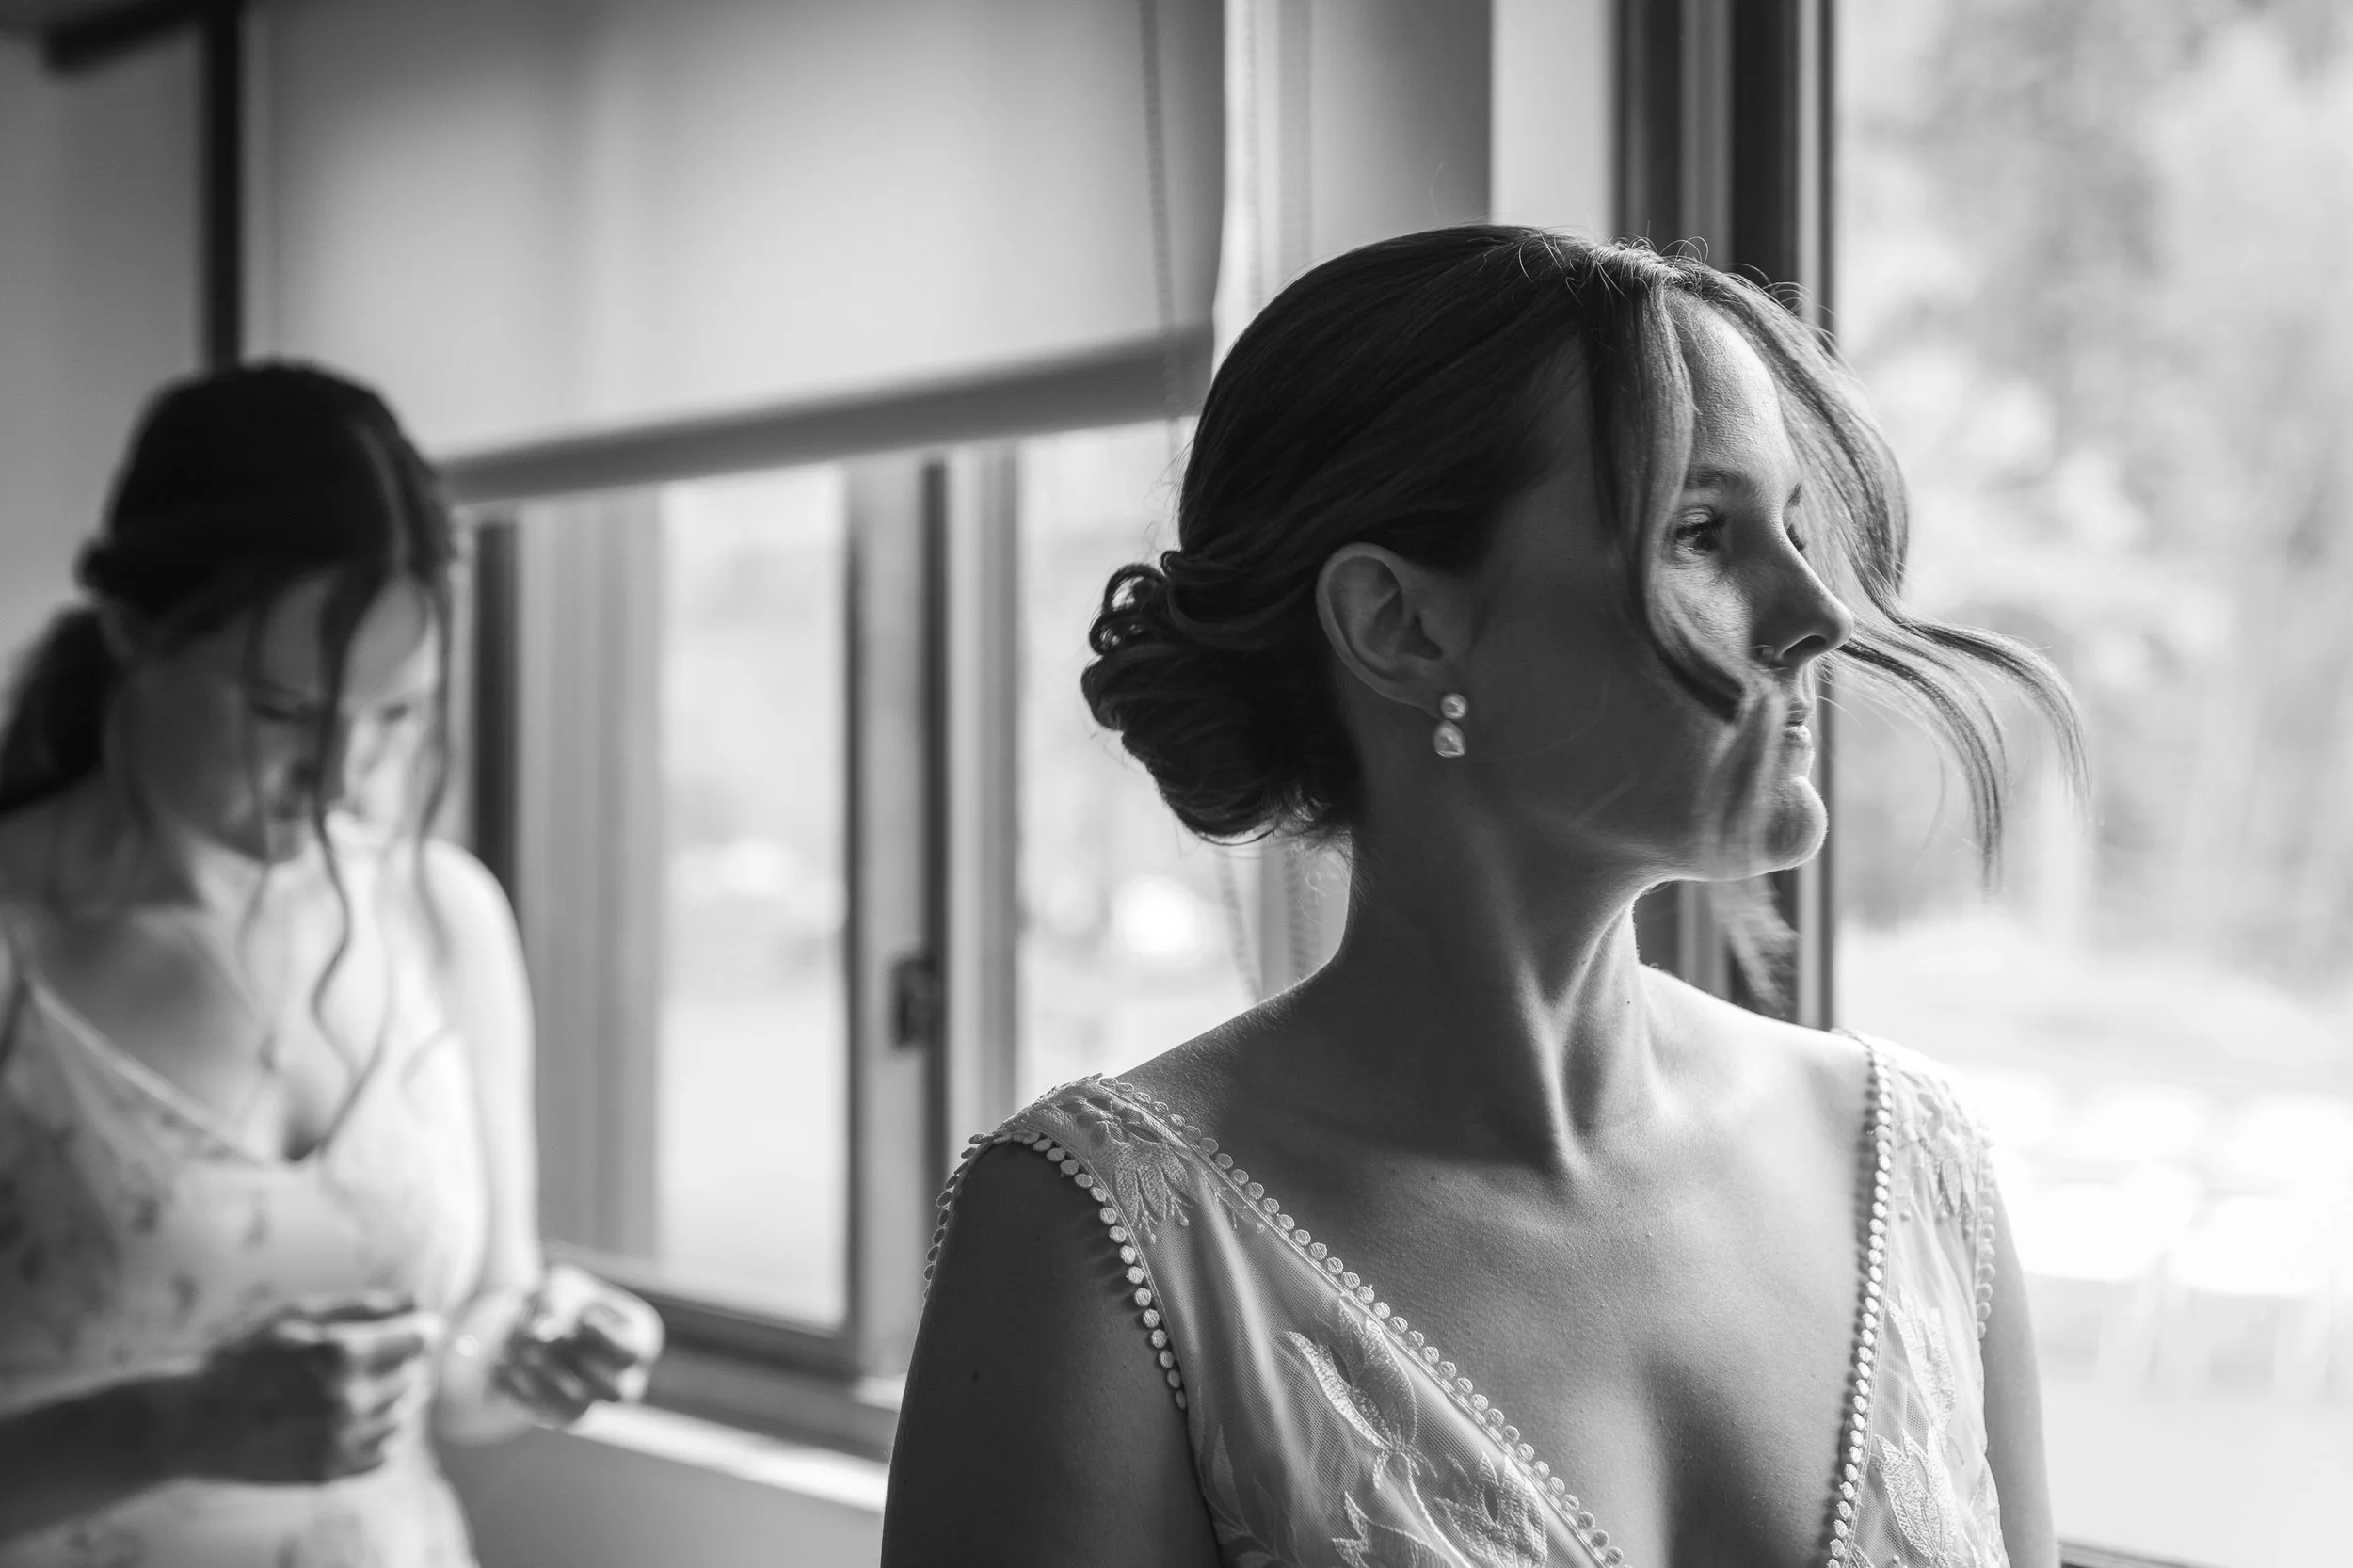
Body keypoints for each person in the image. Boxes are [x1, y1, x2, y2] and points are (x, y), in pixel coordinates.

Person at [886, 228, 2081, 1568]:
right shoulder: (1099, 1244)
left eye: (1794, 528)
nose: (1818, 611)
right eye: (1703, 531)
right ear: (1399, 625)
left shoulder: (1911, 1168)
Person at [0, 364, 664, 1566]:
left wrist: (539, 1344)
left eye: (397, 716)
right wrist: (170, 1423)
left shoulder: (443, 916)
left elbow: (465, 1363)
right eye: (281, 713)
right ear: (136, 631)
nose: (345, 776)